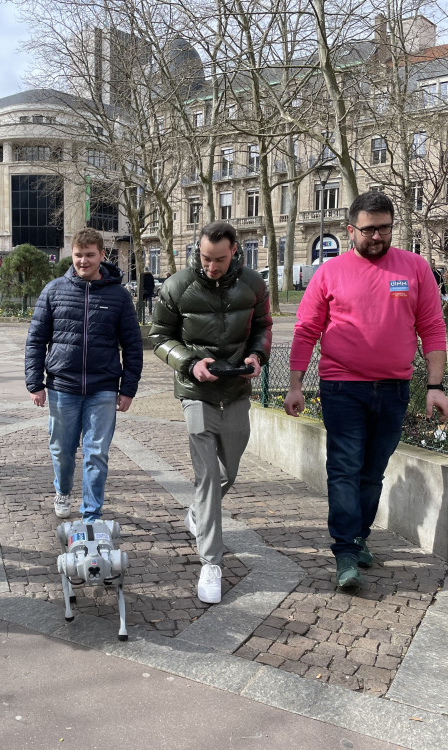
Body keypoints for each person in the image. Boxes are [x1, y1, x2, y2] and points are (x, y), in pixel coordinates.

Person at [283, 191, 448, 593]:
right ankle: (343, 550)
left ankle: (358, 538)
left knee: (372, 471)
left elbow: (432, 327)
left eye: (385, 228)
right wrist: (294, 384)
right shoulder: (329, 272)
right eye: (369, 229)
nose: (377, 236)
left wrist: (435, 386)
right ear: (350, 229)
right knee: (344, 468)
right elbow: (306, 329)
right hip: (342, 386)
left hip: (393, 389)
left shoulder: (414, 268)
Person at [150, 220, 271, 605]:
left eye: (219, 259)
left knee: (228, 470)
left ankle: (198, 513)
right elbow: (158, 336)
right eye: (205, 258)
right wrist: (188, 362)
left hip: (235, 388)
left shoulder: (254, 283)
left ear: (235, 249)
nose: (212, 266)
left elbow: (263, 326)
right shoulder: (177, 286)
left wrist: (257, 354)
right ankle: (211, 565)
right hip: (195, 392)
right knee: (206, 479)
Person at [25, 227, 143, 523]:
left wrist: (128, 388)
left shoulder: (118, 296)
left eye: (90, 255)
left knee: (96, 453)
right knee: (63, 451)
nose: (83, 261)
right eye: (78, 255)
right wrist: (34, 383)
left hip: (103, 388)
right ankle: (63, 490)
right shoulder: (54, 290)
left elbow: (132, 344)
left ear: (102, 255)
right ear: (72, 255)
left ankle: (91, 514)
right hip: (62, 386)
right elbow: (36, 339)